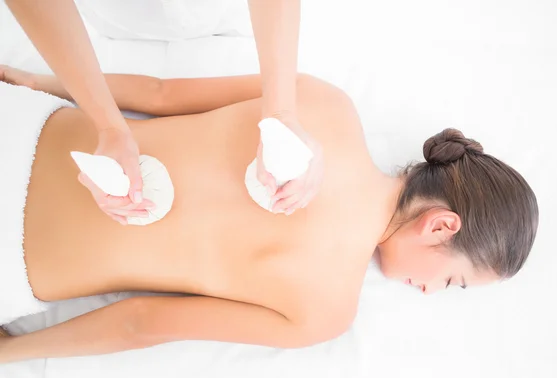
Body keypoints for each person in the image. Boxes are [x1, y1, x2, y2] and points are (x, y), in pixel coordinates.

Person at [0, 66, 538, 363]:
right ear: (441, 224)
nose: (429, 291)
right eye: (451, 281)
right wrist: (15, 352)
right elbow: (143, 321)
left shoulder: (326, 104)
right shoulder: (325, 313)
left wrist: (34, 82)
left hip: (26, 129)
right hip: (16, 263)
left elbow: (160, 93)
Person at [5, 0, 322, 223]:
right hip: (117, 19)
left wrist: (282, 113)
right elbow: (160, 94)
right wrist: (106, 125)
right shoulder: (323, 102)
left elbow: (160, 93)